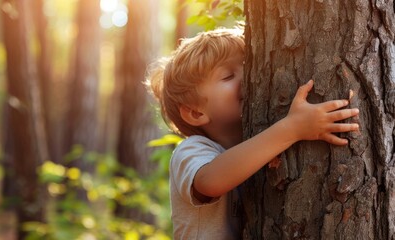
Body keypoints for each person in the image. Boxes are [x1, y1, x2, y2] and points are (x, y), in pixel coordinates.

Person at [145, 27, 360, 239]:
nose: (248, 77)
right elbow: (211, 181)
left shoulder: (254, 142)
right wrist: (293, 128)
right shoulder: (191, 149)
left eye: (249, 66)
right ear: (195, 112)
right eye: (228, 76)